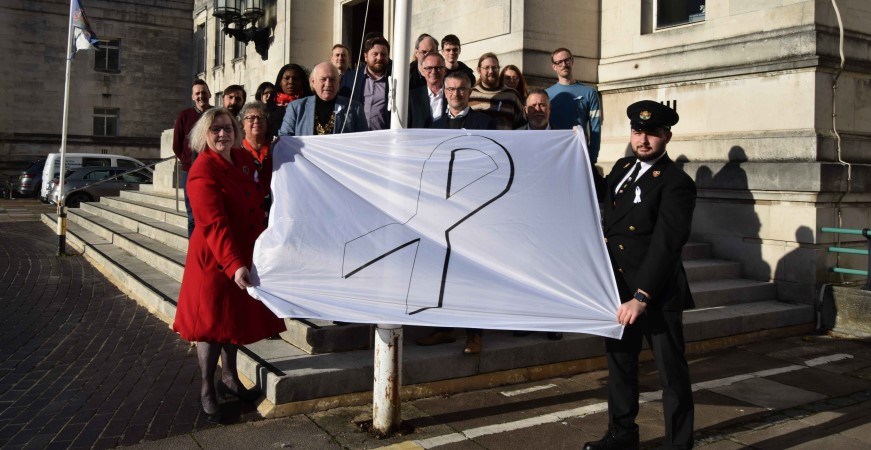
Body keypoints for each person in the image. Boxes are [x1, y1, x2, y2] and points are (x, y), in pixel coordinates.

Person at [584, 100, 695, 450]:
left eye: (651, 133)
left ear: (667, 136)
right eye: (637, 131)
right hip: (618, 288)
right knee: (620, 367)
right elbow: (597, 197)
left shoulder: (676, 182)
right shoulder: (621, 167)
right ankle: (622, 435)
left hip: (654, 293)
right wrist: (575, 153)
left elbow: (667, 244)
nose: (642, 140)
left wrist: (642, 296)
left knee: (670, 373)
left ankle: (679, 445)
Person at [172, 107, 285, 424]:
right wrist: (235, 264)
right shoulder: (201, 171)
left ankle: (230, 378)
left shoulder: (243, 159)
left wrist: (279, 151)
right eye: (215, 130)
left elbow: (262, 185)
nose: (223, 134)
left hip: (241, 250)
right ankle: (208, 387)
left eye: (227, 128)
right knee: (210, 326)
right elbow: (213, 224)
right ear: (204, 135)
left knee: (231, 320)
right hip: (214, 258)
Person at [416, 72, 495, 354]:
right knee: (443, 269)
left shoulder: (486, 123)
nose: (456, 94)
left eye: (461, 89)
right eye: (451, 89)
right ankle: (444, 327)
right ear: (444, 92)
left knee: (474, 270)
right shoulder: (432, 124)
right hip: (442, 207)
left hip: (474, 208)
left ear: (470, 91)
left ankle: (475, 333)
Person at [278, 62, 368, 136]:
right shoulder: (296, 108)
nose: (328, 84)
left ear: (339, 83)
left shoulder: (355, 108)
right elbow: (285, 140)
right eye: (323, 79)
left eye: (333, 79)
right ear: (313, 82)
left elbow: (363, 141)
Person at [546, 47, 603, 162]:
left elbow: (595, 128)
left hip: (580, 153)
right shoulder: (547, 94)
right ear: (554, 67)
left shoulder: (589, 92)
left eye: (567, 60)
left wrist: (593, 156)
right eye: (559, 62)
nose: (564, 64)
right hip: (554, 153)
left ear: (572, 61)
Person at [172, 79, 212, 236]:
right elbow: (176, 145)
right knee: (193, 217)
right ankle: (194, 254)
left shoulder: (215, 114)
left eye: (204, 92)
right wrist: (188, 162)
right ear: (193, 97)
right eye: (198, 93)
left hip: (213, 171)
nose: (201, 96)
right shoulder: (184, 116)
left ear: (209, 93)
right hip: (191, 172)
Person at [339, 35, 392, 130]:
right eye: (375, 54)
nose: (379, 58)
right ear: (366, 56)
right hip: (356, 138)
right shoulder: (350, 78)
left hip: (383, 139)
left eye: (383, 54)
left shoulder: (394, 81)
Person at [469, 52, 526, 130]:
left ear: (499, 69)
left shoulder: (512, 95)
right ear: (479, 70)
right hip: (478, 141)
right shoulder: (470, 94)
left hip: (503, 141)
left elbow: (522, 125)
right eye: (487, 68)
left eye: (494, 67)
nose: (491, 71)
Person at [266, 64, 312, 139]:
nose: (291, 82)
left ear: (302, 82)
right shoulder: (269, 107)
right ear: (280, 82)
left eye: (295, 79)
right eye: (287, 78)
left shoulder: (311, 105)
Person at [239, 102, 273, 195]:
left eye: (261, 117)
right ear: (242, 125)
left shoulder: (275, 150)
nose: (256, 121)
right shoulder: (236, 152)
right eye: (250, 118)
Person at [407, 51, 446, 129]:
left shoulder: (453, 94)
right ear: (423, 71)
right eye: (429, 68)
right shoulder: (412, 97)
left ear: (444, 70)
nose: (433, 72)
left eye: (438, 68)